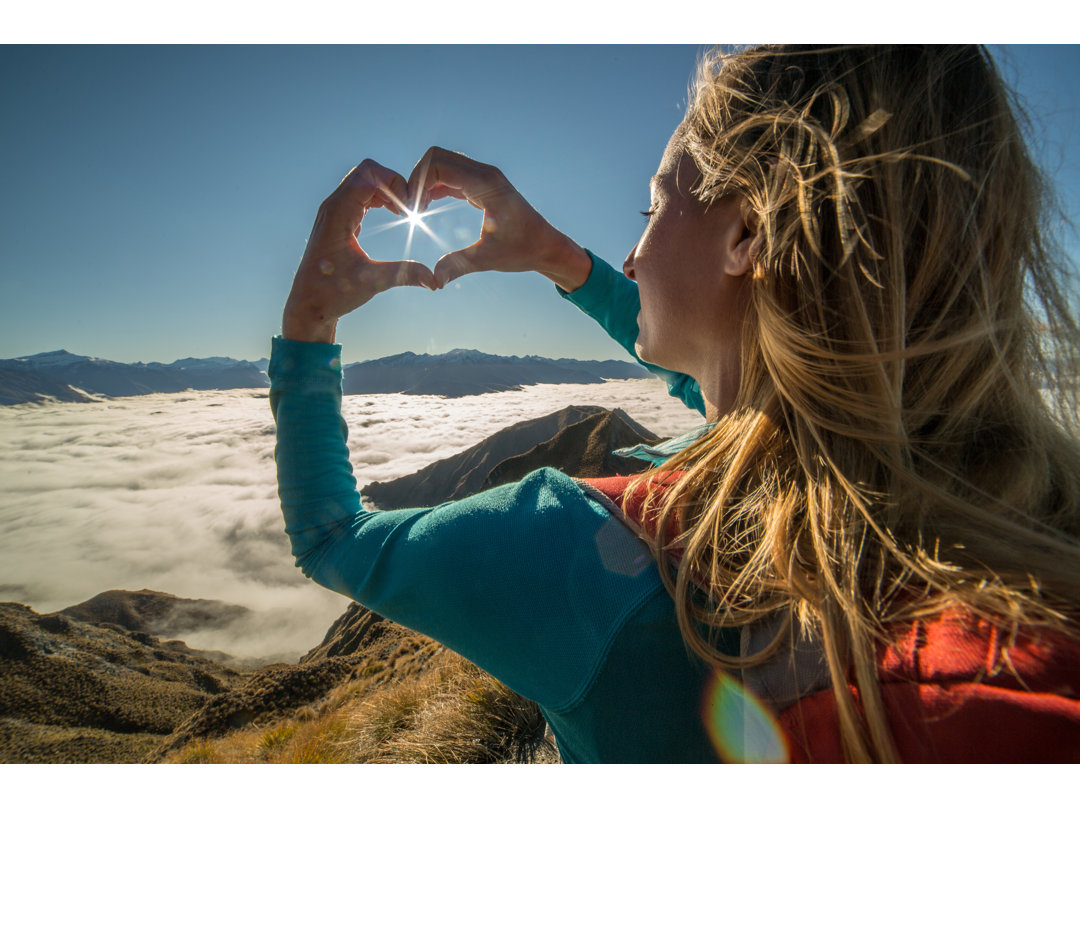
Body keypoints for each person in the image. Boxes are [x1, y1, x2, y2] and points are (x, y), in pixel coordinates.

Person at [271, 45, 1080, 763]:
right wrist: (556, 258)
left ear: (748, 235)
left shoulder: (574, 552)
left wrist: (309, 324)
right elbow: (733, 397)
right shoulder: (996, 504)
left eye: (654, 208)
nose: (632, 250)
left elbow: (330, 537)